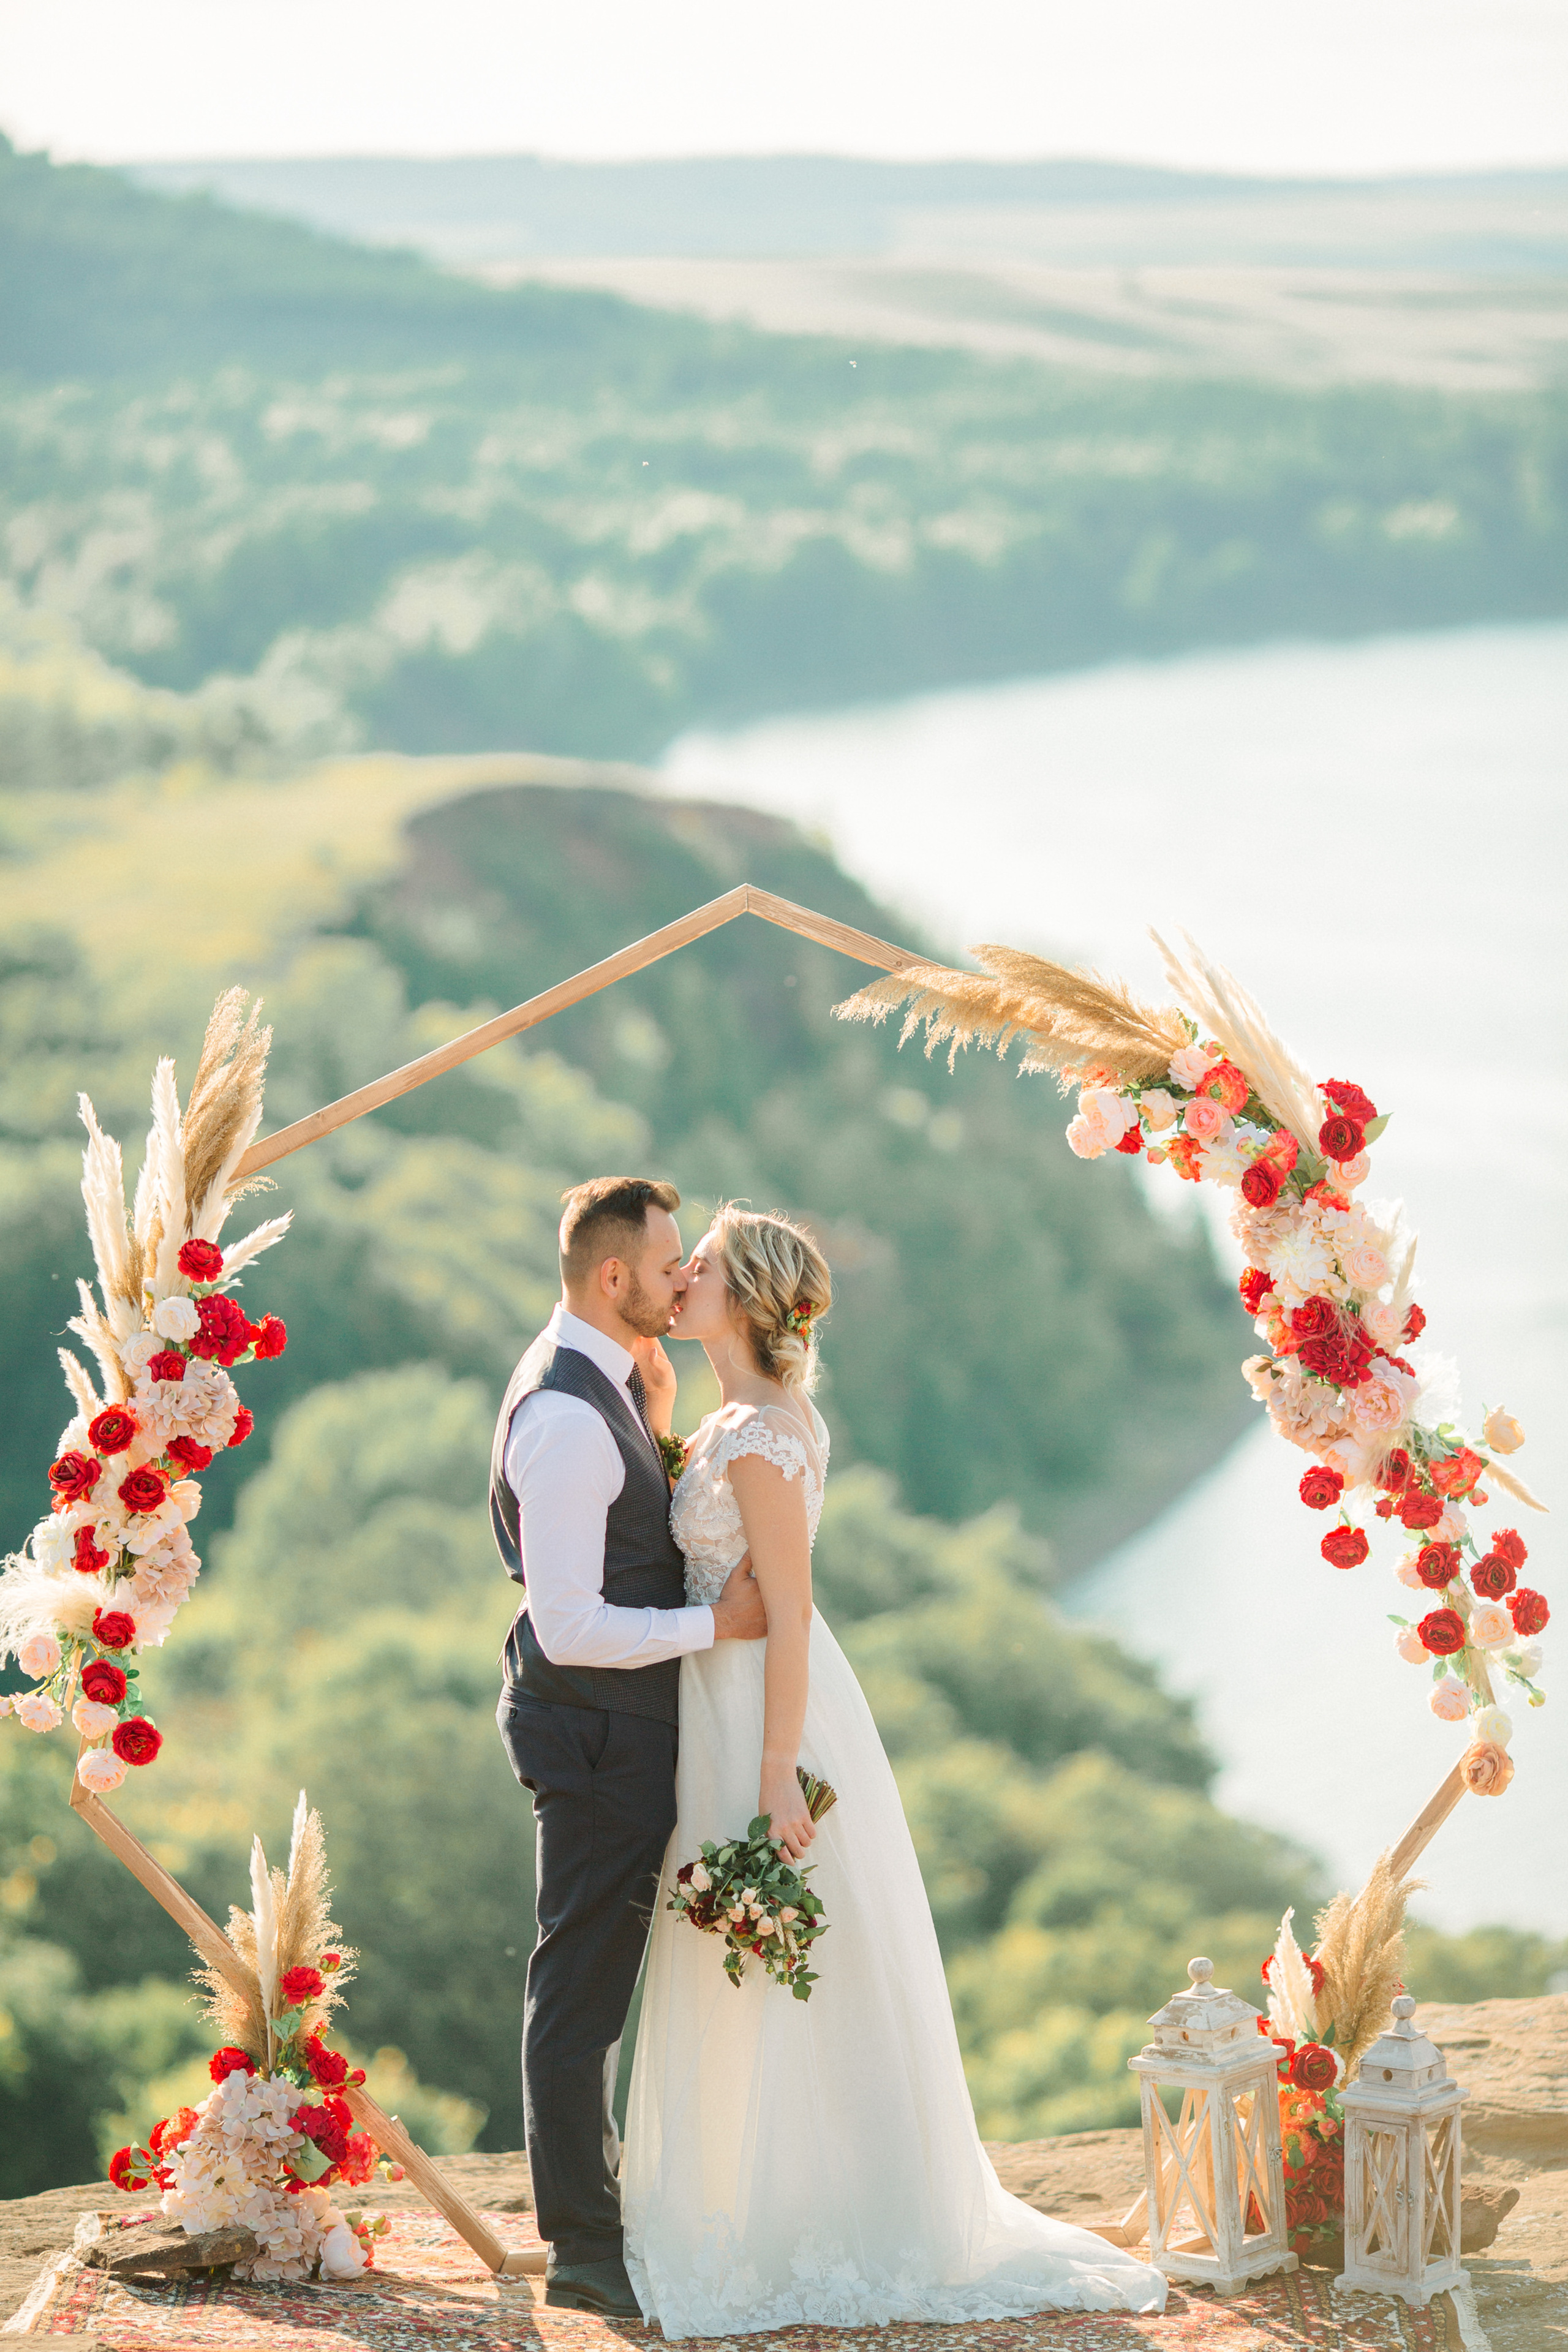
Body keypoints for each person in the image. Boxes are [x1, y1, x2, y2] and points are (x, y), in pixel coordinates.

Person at [622, 1203, 1167, 2335]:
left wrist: (777, 1772)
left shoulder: (765, 1437)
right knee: (742, 1951)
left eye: (704, 1266)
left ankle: (805, 2222)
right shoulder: (737, 1417)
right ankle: (745, 2204)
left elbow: (790, 1607)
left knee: (775, 1943)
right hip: (721, 1699)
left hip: (766, 1710)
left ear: (751, 1298)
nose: (681, 1276)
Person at [491, 1176, 767, 2320]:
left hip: (612, 1725)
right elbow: (571, 1624)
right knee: (582, 1995)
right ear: (614, 1279)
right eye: (666, 1270)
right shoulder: (563, 1418)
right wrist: (722, 1626)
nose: (681, 1282)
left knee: (594, 1982)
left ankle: (601, 2218)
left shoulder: (598, 1376)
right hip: (596, 1734)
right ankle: (583, 2253)